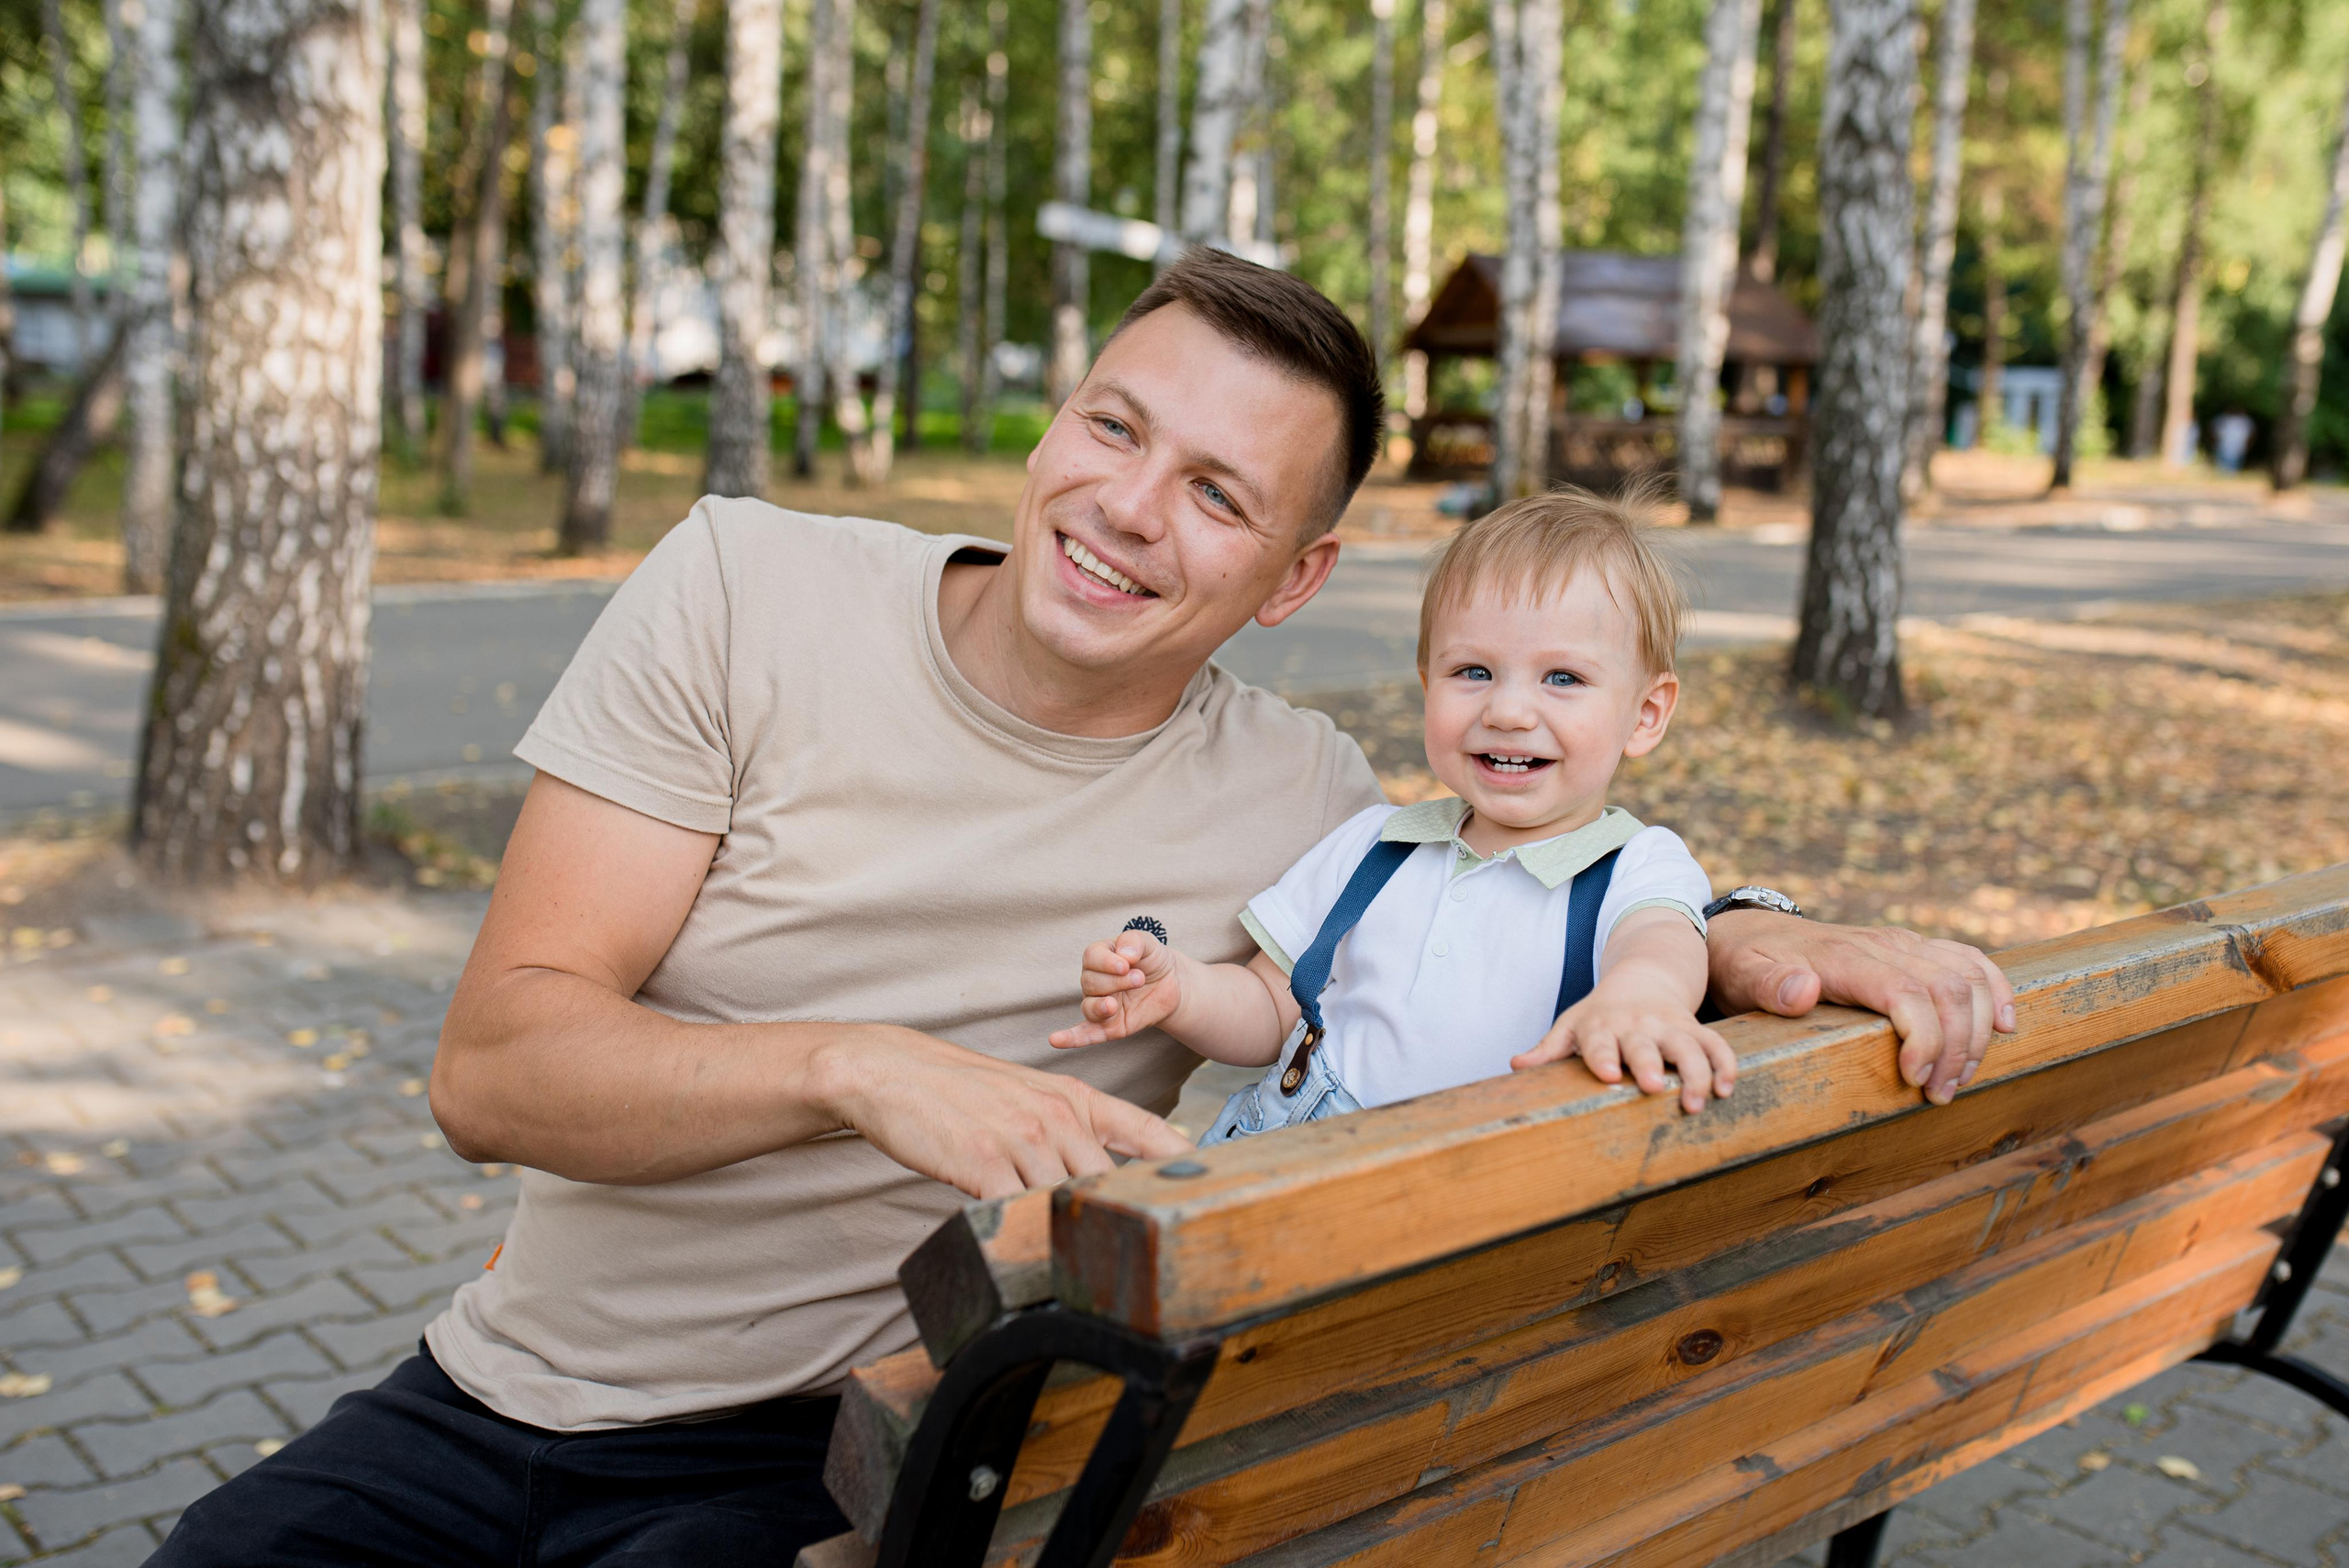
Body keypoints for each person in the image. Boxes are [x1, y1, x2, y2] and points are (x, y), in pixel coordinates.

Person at [152, 250, 2014, 1567]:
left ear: (1292, 578)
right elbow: (495, 1069)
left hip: (862, 1450)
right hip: (501, 1385)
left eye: (1213, 493)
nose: (1125, 506)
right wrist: (862, 1069)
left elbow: (1523, 840)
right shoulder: (741, 586)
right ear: (1054, 419)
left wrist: (1772, 934)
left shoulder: (1290, 796)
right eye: (1111, 426)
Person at [1052, 488, 1736, 1140]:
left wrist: (1642, 997)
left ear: (1645, 714)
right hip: (1288, 1152)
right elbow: (1268, 1009)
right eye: (1473, 671)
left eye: (1563, 678)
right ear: (1427, 684)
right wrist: (1183, 991)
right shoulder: (1375, 845)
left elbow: (1659, 946)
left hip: (1473, 1188)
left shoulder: (1634, 865)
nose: (1508, 711)